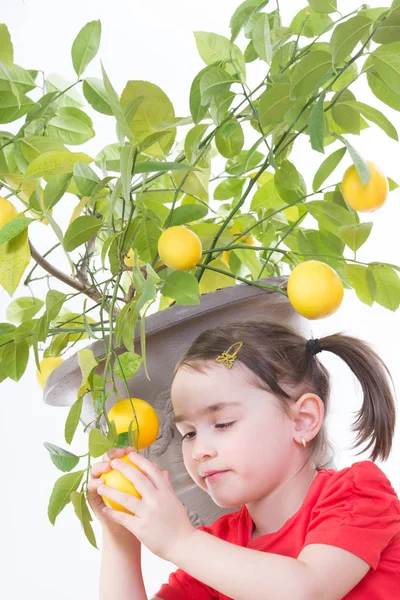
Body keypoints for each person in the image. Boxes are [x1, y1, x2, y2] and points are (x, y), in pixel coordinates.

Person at [89, 319, 400, 599]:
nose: (199, 451)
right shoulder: (220, 546)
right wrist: (120, 537)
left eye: (223, 423)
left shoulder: (358, 493)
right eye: (188, 433)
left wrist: (177, 542)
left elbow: (306, 591)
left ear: (303, 419)